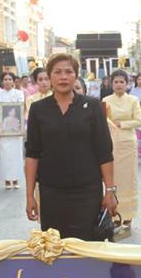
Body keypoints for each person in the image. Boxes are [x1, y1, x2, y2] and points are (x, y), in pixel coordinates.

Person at [25, 54, 117, 239]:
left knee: (87, 246)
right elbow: (32, 154)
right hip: (51, 191)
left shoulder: (92, 106)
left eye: (68, 72)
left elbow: (104, 152)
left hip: (87, 191)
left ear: (76, 75)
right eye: (57, 72)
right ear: (50, 76)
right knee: (55, 246)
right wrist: (29, 196)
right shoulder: (38, 109)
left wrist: (109, 191)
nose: (63, 77)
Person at [102, 70, 141, 228]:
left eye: (122, 82)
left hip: (128, 144)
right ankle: (115, 213)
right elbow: (102, 121)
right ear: (111, 84)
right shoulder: (106, 100)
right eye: (116, 82)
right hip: (111, 143)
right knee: (113, 179)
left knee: (129, 180)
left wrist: (122, 124)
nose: (119, 85)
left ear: (127, 84)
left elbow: (138, 121)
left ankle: (128, 215)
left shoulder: (133, 100)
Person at [0, 72, 25, 190]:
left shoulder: (19, 93)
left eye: (9, 79)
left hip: (15, 130)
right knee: (4, 156)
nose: (7, 81)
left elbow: (21, 109)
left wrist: (21, 127)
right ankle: (6, 180)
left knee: (16, 156)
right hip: (3, 130)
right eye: (5, 79)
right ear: (2, 81)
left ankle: (15, 179)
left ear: (13, 81)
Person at [130, 73, 141, 158]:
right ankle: (137, 150)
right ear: (136, 81)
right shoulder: (133, 90)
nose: (140, 81)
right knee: (137, 132)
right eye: (138, 79)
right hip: (136, 112)